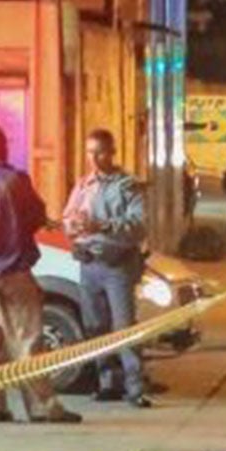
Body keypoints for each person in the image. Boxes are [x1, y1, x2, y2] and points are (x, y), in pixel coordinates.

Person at [0, 124, 80, 424]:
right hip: (13, 270)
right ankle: (41, 407)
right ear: (2, 148)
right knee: (26, 340)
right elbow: (35, 216)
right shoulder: (15, 180)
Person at [63, 128, 152, 408]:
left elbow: (138, 226)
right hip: (89, 263)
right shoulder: (83, 185)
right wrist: (73, 226)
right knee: (96, 327)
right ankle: (106, 383)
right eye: (90, 152)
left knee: (124, 327)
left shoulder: (126, 186)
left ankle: (135, 387)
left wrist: (101, 225)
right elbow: (67, 218)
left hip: (117, 265)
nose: (94, 159)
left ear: (112, 152)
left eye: (100, 152)